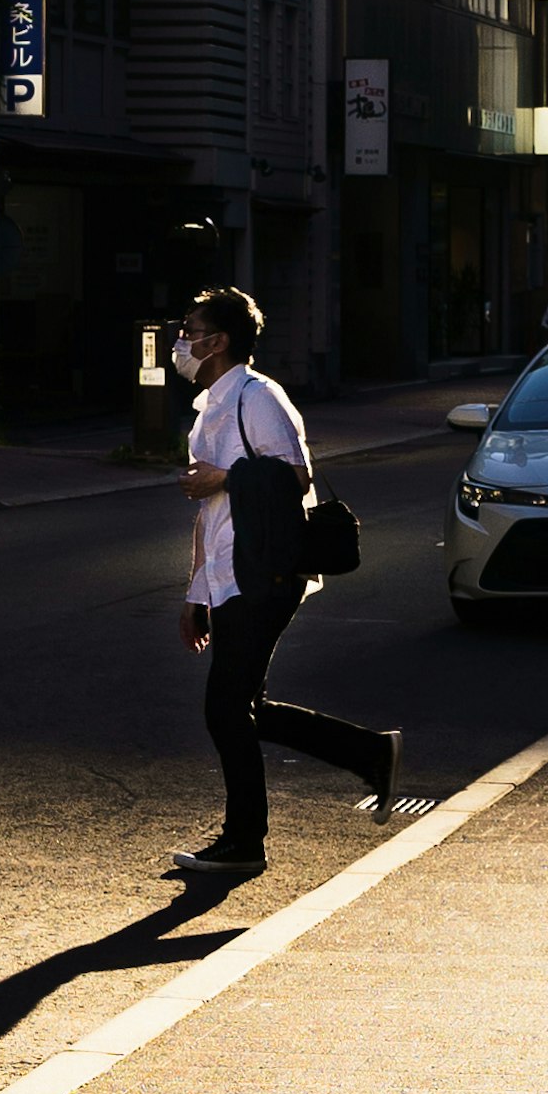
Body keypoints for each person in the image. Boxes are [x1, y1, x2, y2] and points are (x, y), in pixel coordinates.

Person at [170, 284, 393, 885]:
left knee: (225, 708)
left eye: (190, 330)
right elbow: (211, 514)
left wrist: (226, 474)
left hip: (266, 571)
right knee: (245, 709)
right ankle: (369, 754)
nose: (181, 341)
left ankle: (245, 841)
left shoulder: (258, 396)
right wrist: (196, 592)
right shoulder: (212, 406)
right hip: (230, 571)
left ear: (217, 342)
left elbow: (295, 476)